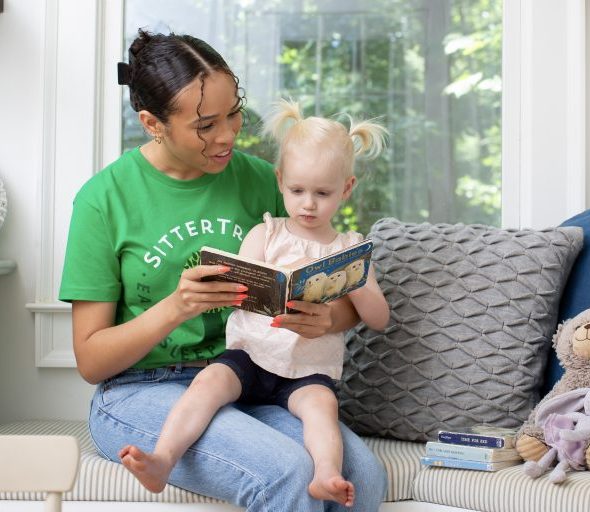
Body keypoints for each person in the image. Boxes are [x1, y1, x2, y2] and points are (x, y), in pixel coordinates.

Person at [59, 29, 387, 512]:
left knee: (364, 479)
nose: (229, 135)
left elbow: (332, 283)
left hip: (257, 376)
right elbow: (91, 362)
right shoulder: (103, 199)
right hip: (141, 392)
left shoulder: (263, 180)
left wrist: (331, 318)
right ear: (153, 123)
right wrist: (177, 306)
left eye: (234, 112)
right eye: (206, 124)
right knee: (288, 474)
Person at [118, 98, 390, 507]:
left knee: (322, 406)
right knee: (208, 382)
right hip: (251, 357)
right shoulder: (267, 234)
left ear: (347, 189)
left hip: (306, 371)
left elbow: (379, 318)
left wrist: (354, 281)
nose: (308, 203)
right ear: (280, 181)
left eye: (323, 193)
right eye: (297, 190)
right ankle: (163, 458)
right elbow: (245, 287)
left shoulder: (350, 249)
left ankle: (326, 474)